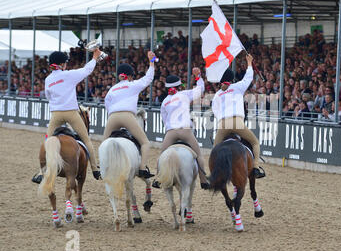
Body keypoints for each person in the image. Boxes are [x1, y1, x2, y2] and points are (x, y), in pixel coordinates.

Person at [31, 49, 103, 184]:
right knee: (86, 139)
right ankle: (95, 169)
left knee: (47, 141)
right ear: (62, 64)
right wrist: (94, 58)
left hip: (56, 115)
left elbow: (48, 96)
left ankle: (42, 171)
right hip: (71, 113)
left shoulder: (48, 79)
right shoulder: (69, 75)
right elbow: (87, 70)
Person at [152, 67, 210, 190]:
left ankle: (157, 178)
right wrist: (198, 76)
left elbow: (164, 120)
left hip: (171, 133)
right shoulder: (184, 94)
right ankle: (203, 180)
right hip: (185, 131)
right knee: (198, 155)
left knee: (162, 155)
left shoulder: (164, 102)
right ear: (179, 86)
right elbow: (200, 89)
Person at [102, 51, 156, 179]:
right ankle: (142, 169)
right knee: (145, 143)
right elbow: (149, 78)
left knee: (104, 144)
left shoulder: (112, 89)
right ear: (130, 76)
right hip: (127, 116)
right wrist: (151, 62)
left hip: (112, 117)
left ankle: (102, 166)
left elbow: (107, 105)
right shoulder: (133, 85)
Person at [211, 53, 265, 179]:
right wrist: (250, 63)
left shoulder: (217, 95)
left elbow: (215, 111)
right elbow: (248, 77)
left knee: (215, 149)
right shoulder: (237, 87)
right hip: (237, 122)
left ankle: (214, 172)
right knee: (255, 142)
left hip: (223, 124)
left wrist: (221, 122)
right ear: (231, 79)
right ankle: (256, 167)